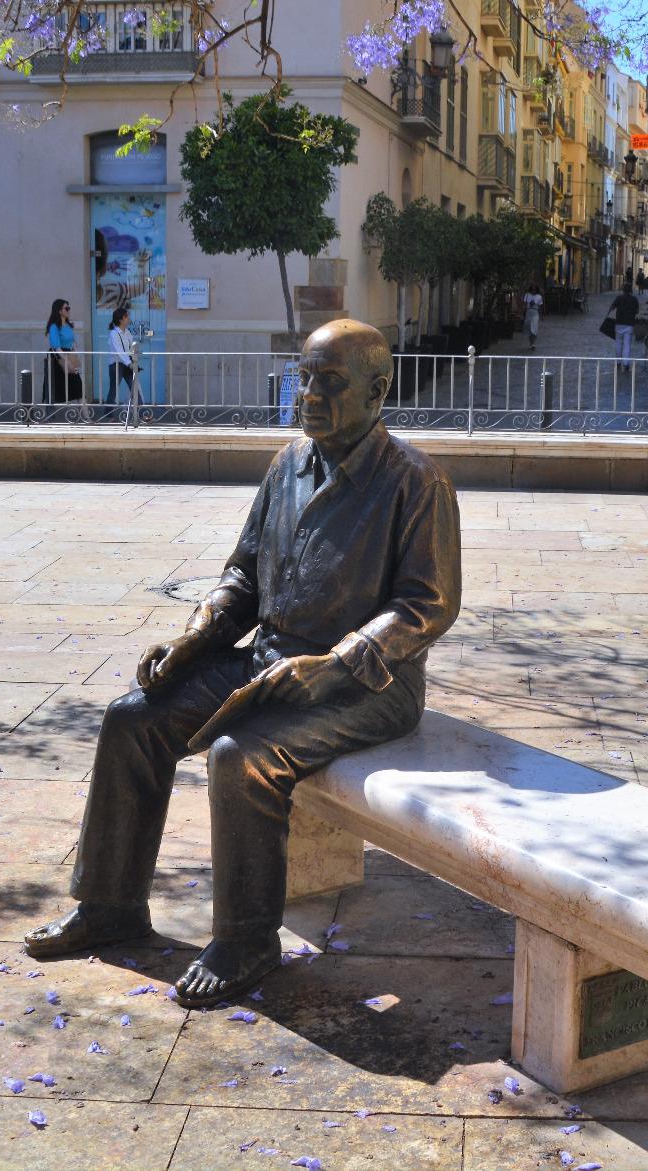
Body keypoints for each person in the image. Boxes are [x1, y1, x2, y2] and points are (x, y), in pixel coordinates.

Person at [24, 319, 462, 1008]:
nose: (308, 395)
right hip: (269, 659)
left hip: (369, 685)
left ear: (379, 391)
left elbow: (424, 605)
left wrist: (339, 661)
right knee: (133, 718)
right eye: (304, 378)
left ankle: (248, 937)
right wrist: (195, 639)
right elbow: (243, 577)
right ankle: (109, 904)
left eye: (329, 382)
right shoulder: (287, 463)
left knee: (241, 754)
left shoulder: (416, 481)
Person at [45, 298, 83, 403]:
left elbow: (73, 344)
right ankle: (49, 416)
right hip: (58, 359)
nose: (68, 310)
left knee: (78, 387)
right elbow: (57, 347)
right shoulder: (54, 327)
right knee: (54, 389)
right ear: (59, 311)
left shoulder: (69, 326)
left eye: (69, 308)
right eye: (66, 308)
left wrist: (74, 360)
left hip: (69, 355)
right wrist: (67, 361)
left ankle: (86, 418)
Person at [106, 305, 137, 413]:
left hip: (127, 364)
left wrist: (133, 360)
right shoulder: (114, 334)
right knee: (113, 390)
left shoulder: (127, 332)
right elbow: (119, 351)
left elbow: (130, 348)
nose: (128, 318)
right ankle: (108, 414)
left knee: (134, 387)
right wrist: (129, 363)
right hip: (116, 364)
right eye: (126, 316)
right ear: (120, 319)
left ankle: (140, 413)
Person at [609, 280, 639, 369]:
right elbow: (637, 311)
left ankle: (618, 362)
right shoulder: (634, 299)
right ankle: (626, 364)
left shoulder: (619, 298)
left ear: (623, 290)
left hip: (619, 323)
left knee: (618, 343)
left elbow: (612, 307)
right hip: (629, 324)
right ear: (630, 290)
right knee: (627, 345)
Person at [522, 284, 544, 351]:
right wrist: (522, 313)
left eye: (534, 290)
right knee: (529, 328)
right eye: (532, 290)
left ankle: (533, 343)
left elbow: (540, 307)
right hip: (528, 312)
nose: (533, 291)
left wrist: (541, 315)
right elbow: (524, 305)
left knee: (534, 328)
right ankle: (530, 343)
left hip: (535, 312)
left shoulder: (539, 297)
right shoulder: (527, 295)